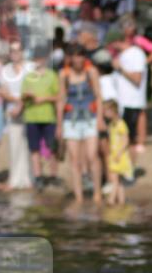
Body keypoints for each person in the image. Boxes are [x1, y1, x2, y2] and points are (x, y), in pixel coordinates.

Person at [58, 43, 103, 206]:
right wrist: (59, 124)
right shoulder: (64, 74)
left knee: (93, 156)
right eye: (74, 56)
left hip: (90, 118)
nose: (78, 59)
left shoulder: (91, 72)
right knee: (74, 160)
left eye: (80, 55)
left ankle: (97, 193)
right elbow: (61, 99)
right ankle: (79, 197)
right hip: (71, 120)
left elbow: (98, 96)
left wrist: (100, 118)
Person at [21, 47, 60, 189]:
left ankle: (53, 175)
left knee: (52, 147)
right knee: (34, 148)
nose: (38, 61)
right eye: (35, 59)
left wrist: (44, 98)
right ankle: (38, 176)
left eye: (40, 58)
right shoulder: (28, 76)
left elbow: (59, 96)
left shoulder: (52, 76)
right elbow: (22, 97)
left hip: (49, 117)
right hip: (31, 116)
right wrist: (27, 96)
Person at [0, 41, 32, 190]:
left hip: (29, 109)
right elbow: (3, 91)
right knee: (14, 144)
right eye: (12, 51)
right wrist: (17, 102)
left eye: (17, 50)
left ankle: (28, 179)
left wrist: (22, 104)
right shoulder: (5, 70)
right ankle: (14, 180)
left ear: (23, 51)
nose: (15, 53)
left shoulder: (30, 67)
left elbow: (32, 89)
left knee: (28, 145)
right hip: (12, 111)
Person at [113, 19, 148, 154]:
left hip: (131, 103)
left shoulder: (136, 53)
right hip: (122, 102)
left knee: (130, 143)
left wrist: (120, 69)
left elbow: (137, 78)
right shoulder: (122, 54)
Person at [104, 99, 132, 205]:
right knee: (119, 181)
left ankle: (111, 199)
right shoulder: (112, 125)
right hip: (115, 155)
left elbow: (126, 140)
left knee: (114, 179)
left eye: (106, 111)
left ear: (112, 111)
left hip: (119, 156)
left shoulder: (121, 124)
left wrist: (119, 153)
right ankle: (121, 200)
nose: (105, 114)